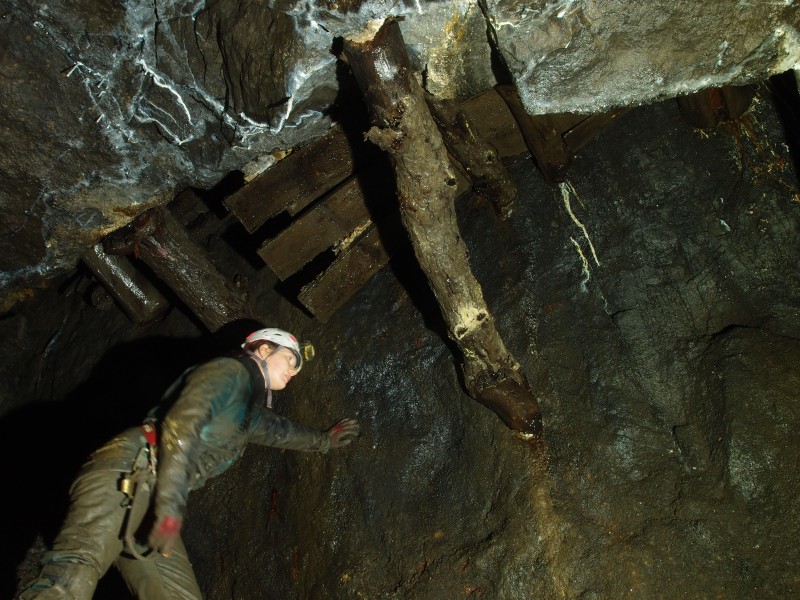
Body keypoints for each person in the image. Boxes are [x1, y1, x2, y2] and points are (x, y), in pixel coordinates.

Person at [18, 327, 360, 600]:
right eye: (290, 359)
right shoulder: (229, 372)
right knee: (72, 577)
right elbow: (181, 426)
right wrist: (170, 508)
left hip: (152, 498)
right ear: (263, 349)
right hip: (130, 470)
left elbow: (280, 432)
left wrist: (324, 441)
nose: (294, 370)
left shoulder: (246, 411)